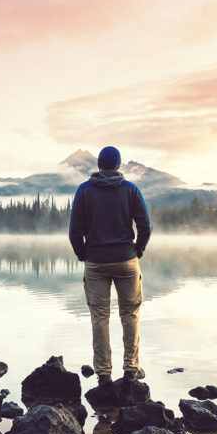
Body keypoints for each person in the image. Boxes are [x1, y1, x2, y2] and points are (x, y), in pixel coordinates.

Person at [69, 146, 151, 387]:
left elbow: (75, 231)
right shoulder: (131, 190)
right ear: (118, 165)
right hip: (126, 260)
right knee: (130, 314)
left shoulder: (84, 191)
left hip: (96, 263)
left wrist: (83, 254)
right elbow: (145, 226)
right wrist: (138, 250)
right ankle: (131, 370)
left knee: (99, 317)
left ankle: (104, 374)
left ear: (99, 165)